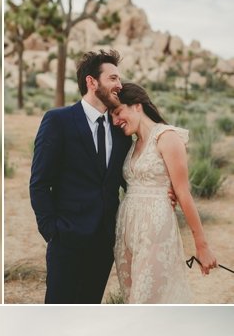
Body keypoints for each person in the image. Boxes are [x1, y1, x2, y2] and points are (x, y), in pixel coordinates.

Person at [29, 50, 130, 304]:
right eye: (113, 78)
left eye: (119, 79)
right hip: (67, 241)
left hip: (105, 243)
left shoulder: (121, 131)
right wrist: (52, 231)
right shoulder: (58, 121)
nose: (119, 85)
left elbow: (127, 179)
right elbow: (39, 183)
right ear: (91, 82)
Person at [112, 83, 217, 303]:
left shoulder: (167, 137)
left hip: (155, 230)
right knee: (132, 298)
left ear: (137, 106)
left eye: (118, 112)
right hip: (128, 231)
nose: (115, 121)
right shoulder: (132, 144)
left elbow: (183, 193)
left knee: (148, 299)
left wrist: (202, 245)